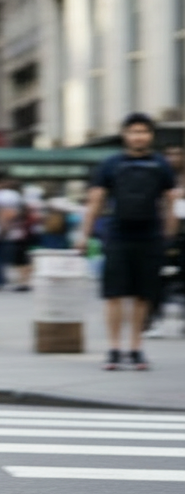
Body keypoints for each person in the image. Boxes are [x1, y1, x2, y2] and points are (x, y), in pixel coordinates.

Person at [78, 113, 177, 371]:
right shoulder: (109, 164)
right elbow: (95, 201)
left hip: (150, 237)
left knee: (143, 297)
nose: (138, 136)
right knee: (114, 296)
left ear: (150, 136)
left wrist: (168, 235)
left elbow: (170, 202)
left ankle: (136, 348)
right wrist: (83, 234)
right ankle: (113, 349)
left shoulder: (161, 165)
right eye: (134, 131)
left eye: (143, 132)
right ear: (125, 135)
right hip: (117, 236)